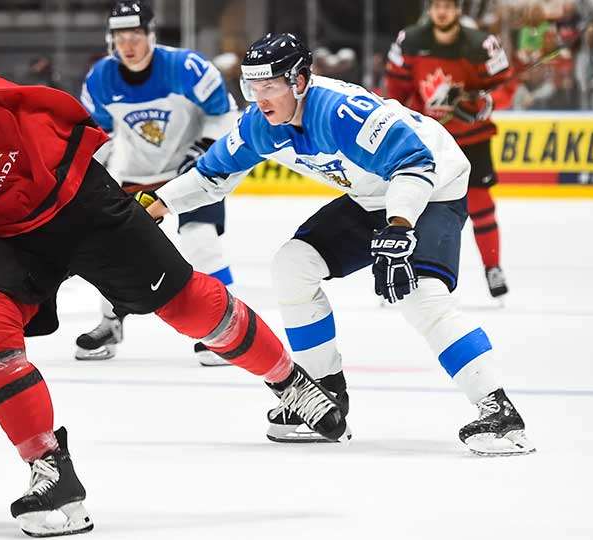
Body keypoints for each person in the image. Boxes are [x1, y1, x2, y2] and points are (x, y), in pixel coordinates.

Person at [0, 3, 349, 537]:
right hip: (7, 234)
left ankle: (290, 383)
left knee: (184, 304)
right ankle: (52, 473)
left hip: (72, 196)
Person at [142, 32, 535, 457]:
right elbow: (210, 176)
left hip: (433, 186)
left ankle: (499, 410)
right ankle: (324, 394)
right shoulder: (259, 123)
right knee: (293, 264)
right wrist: (156, 205)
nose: (260, 98)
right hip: (373, 196)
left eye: (270, 85)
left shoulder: (341, 112)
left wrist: (399, 226)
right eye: (252, 88)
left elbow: (415, 162)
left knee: (420, 294)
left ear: (300, 80)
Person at [77, 0, 240, 365]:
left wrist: (199, 153)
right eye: (121, 37)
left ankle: (229, 327)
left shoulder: (189, 68)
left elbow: (226, 116)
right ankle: (109, 322)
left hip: (194, 171)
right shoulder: (101, 78)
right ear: (111, 40)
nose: (129, 44)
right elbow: (92, 134)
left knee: (200, 241)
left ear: (151, 34)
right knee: (110, 251)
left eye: (136, 35)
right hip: (136, 177)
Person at [385, 0, 514, 299]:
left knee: (481, 205)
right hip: (428, 140)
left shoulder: (482, 45)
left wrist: (484, 103)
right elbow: (396, 90)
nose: (442, 11)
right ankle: (402, 268)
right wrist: (416, 114)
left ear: (458, 10)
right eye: (437, 5)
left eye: (448, 6)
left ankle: (493, 267)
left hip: (472, 140)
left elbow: (505, 86)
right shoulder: (410, 41)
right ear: (431, 10)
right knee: (414, 203)